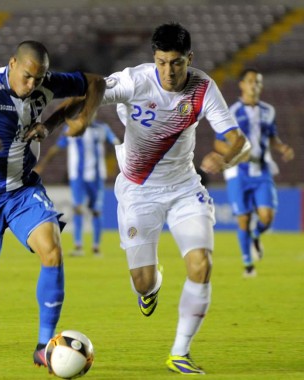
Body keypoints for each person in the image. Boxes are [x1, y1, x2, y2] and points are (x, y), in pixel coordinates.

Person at [47, 23, 251, 374]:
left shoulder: (203, 88)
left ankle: (179, 352)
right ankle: (150, 287)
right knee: (142, 282)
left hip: (185, 188)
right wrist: (53, 125)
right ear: (153, 59)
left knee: (201, 265)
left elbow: (238, 140)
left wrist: (224, 157)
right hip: (138, 191)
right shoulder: (136, 80)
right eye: (161, 62)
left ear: (190, 58)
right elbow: (87, 91)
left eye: (175, 63)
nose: (168, 72)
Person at [0, 40, 104, 369]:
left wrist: (68, 121)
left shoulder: (45, 82)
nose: (31, 86)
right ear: (13, 63)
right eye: (27, 77)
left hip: (22, 190)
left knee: (52, 250)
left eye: (38, 80)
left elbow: (95, 82)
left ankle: (44, 345)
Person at [215, 68, 295, 278]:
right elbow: (219, 142)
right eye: (251, 81)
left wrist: (282, 148)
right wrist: (235, 154)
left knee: (267, 217)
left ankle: (256, 235)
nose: (255, 85)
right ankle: (248, 264)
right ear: (242, 84)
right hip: (238, 172)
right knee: (242, 219)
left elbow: (271, 137)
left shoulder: (268, 111)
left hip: (262, 169)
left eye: (258, 82)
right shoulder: (230, 112)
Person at [34, 115, 120, 257]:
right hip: (77, 176)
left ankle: (96, 247)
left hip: (97, 176)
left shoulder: (102, 129)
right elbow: (57, 147)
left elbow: (116, 143)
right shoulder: (71, 129)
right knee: (78, 209)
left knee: (96, 211)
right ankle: (78, 246)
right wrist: (42, 164)